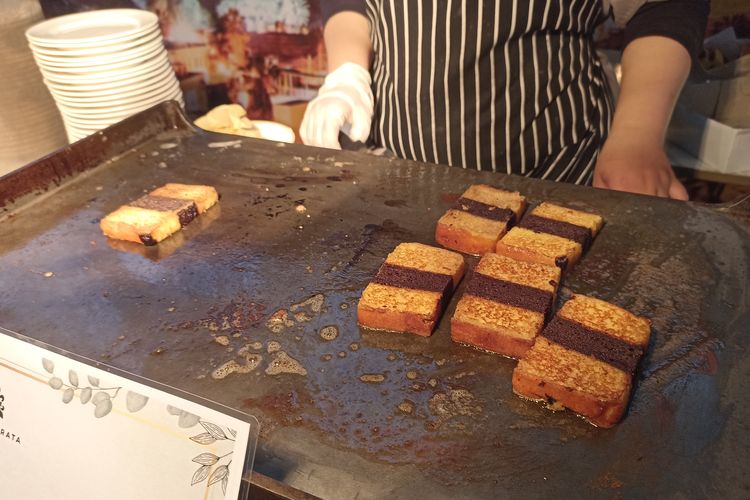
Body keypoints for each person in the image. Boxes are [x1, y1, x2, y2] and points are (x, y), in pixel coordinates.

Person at [300, 0, 709, 199]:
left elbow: (663, 6)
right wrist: (346, 73)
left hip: (556, 174)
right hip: (395, 172)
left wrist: (638, 134)